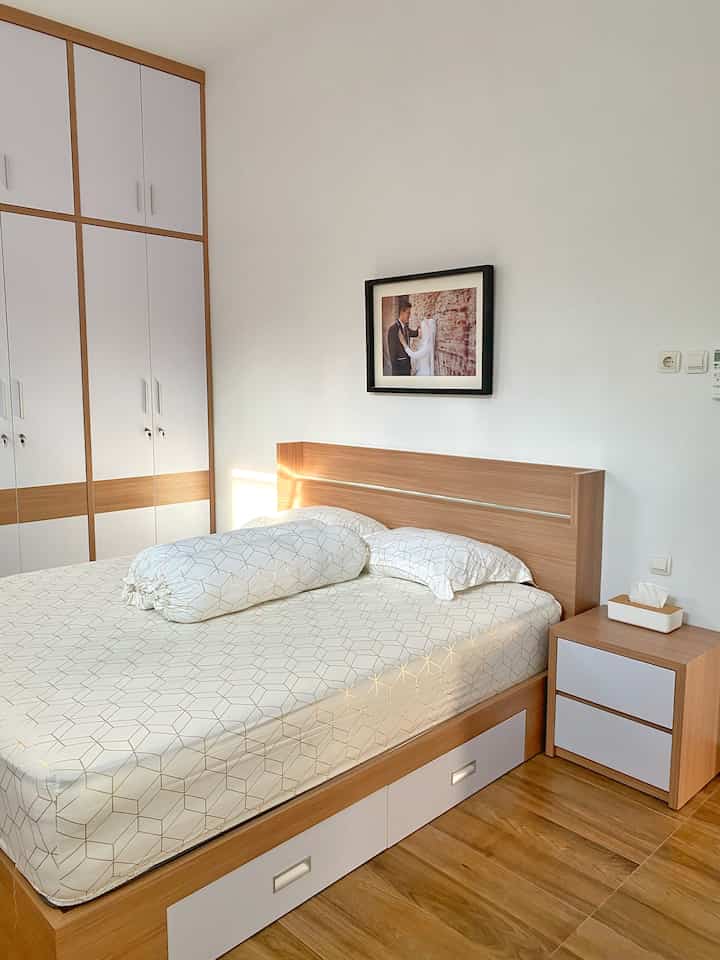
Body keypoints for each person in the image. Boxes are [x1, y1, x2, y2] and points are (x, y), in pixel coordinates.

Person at [387, 297, 419, 375]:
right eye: (408, 313)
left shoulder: (406, 328)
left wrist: (421, 327)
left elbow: (415, 333)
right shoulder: (393, 329)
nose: (409, 316)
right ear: (402, 312)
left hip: (407, 368)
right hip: (399, 371)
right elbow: (393, 356)